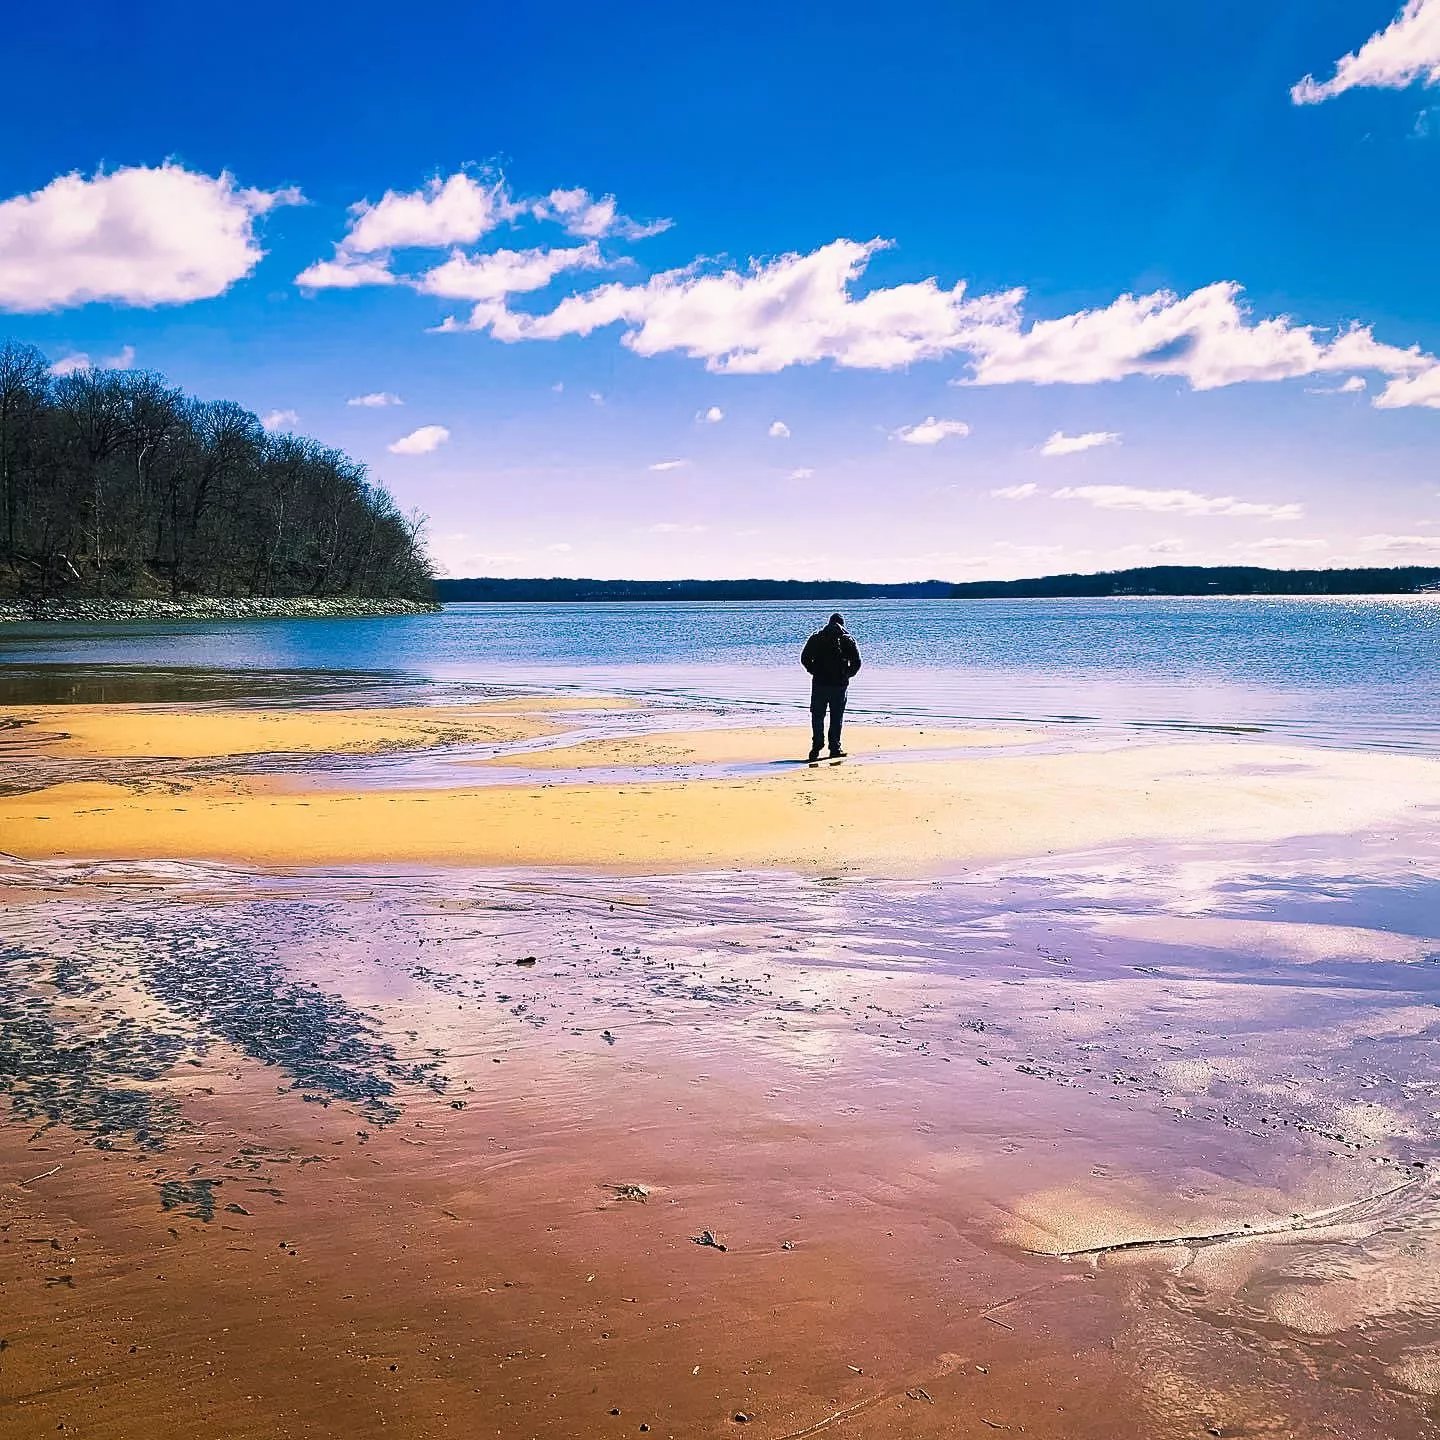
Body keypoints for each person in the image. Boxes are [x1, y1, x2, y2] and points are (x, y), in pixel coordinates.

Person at [800, 612, 862, 761]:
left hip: (820, 683)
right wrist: (847, 675)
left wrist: (814, 671)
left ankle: (817, 746)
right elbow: (857, 662)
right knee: (836, 716)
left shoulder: (817, 637)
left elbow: (804, 658)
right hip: (839, 684)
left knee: (817, 715)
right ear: (843, 624)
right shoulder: (848, 639)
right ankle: (834, 747)